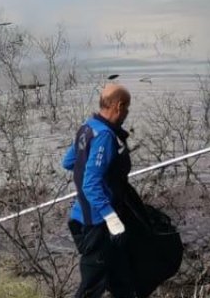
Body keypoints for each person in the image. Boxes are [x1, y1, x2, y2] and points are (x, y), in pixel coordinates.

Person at [63, 83, 135, 298]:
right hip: (97, 224)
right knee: (91, 288)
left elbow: (68, 162)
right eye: (127, 108)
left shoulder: (88, 127)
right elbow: (90, 184)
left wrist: (92, 165)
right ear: (119, 106)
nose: (126, 114)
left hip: (80, 215)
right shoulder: (104, 135)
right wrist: (112, 219)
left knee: (121, 279)